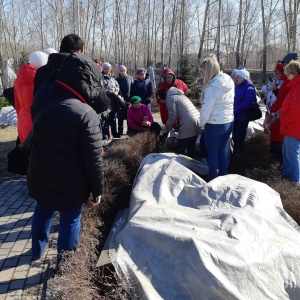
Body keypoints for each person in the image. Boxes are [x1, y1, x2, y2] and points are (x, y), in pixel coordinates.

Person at [28, 53, 109, 264]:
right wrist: (97, 189)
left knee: (42, 211)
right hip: (70, 183)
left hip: (41, 173)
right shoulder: (85, 113)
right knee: (70, 219)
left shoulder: (42, 95)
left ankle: (37, 251)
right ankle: (65, 266)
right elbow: (93, 158)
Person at [198, 57, 234, 180]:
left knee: (212, 154)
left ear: (208, 71)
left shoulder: (212, 88)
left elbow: (206, 111)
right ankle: (223, 177)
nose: (202, 75)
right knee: (222, 152)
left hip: (214, 125)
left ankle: (212, 179)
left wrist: (201, 123)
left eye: (203, 72)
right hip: (228, 122)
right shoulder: (228, 81)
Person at [269, 52, 299, 162]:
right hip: (286, 122)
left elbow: (293, 107)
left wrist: (278, 115)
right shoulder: (290, 82)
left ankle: (292, 178)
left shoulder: (294, 85)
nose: (283, 66)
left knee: (290, 155)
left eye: (285, 64)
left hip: (289, 125)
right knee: (288, 153)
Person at [14, 51, 48, 143]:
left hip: (22, 119)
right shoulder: (39, 80)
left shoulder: (18, 80)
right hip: (35, 121)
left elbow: (17, 103)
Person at [156, 87, 201, 158]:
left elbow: (172, 117)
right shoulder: (180, 96)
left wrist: (164, 130)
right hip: (197, 121)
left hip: (188, 123)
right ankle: (190, 165)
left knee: (180, 150)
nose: (161, 101)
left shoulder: (170, 99)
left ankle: (180, 166)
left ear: (163, 96)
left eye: (160, 99)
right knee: (191, 147)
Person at [280, 60, 300, 183]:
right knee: (287, 153)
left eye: (288, 74)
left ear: (294, 73)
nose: (287, 77)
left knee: (292, 155)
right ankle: (288, 175)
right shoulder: (295, 87)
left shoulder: (297, 88)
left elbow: (296, 111)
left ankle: (295, 181)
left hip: (293, 127)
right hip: (290, 126)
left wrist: (283, 118)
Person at [261, 62, 285, 160]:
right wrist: (270, 86)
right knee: (268, 129)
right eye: (275, 73)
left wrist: (276, 89)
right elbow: (263, 89)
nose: (276, 75)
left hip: (276, 111)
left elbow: (281, 97)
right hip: (269, 110)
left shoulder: (283, 83)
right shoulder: (273, 81)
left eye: (278, 73)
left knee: (276, 133)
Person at [232, 69, 256, 154]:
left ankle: (239, 158)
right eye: (235, 77)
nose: (235, 79)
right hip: (235, 117)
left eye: (238, 77)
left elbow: (247, 102)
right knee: (235, 138)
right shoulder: (237, 86)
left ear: (244, 78)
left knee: (239, 138)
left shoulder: (249, 87)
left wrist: (235, 110)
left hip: (242, 117)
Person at [101, 62, 122, 138]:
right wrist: (111, 91)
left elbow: (117, 86)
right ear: (103, 68)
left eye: (109, 69)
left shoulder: (112, 78)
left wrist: (115, 90)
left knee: (113, 119)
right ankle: (105, 134)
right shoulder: (101, 77)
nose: (108, 70)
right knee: (105, 119)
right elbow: (101, 89)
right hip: (106, 102)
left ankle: (114, 133)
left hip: (114, 102)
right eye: (107, 69)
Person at [116, 65, 133, 135]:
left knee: (129, 116)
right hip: (120, 100)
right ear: (119, 72)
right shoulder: (117, 80)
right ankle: (120, 131)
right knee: (120, 117)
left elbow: (132, 89)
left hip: (129, 100)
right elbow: (117, 90)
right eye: (121, 71)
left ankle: (129, 131)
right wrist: (121, 99)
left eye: (124, 71)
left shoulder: (130, 78)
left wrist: (131, 100)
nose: (123, 72)